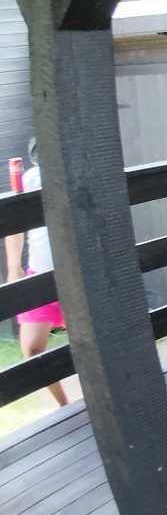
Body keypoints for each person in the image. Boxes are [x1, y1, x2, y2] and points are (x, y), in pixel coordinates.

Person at [6, 141, 68, 406]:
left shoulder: (76, 175)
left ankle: (102, 401)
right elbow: (14, 225)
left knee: (93, 345)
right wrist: (14, 269)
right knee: (32, 350)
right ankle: (65, 407)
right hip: (40, 274)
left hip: (78, 278)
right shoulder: (31, 179)